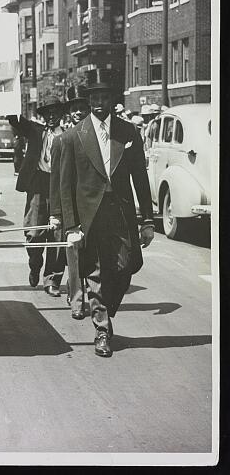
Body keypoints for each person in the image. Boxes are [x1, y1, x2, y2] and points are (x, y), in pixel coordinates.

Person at [59, 69, 154, 358]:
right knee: (97, 271)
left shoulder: (128, 132)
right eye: (94, 98)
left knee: (129, 265)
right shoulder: (74, 136)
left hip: (121, 213)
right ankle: (102, 328)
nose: (99, 103)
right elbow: (65, 185)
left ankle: (106, 311)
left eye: (104, 97)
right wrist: (71, 225)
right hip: (90, 217)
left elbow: (140, 176)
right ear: (88, 102)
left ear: (112, 99)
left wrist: (148, 220)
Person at [8, 96, 66, 296]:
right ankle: (35, 264)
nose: (51, 116)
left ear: (61, 114)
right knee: (34, 232)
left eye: (55, 112)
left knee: (58, 235)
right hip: (37, 185)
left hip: (59, 187)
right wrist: (10, 93)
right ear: (43, 115)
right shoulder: (35, 130)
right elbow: (15, 120)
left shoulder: (68, 135)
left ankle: (52, 280)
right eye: (47, 113)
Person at [49, 85, 90, 317]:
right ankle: (77, 299)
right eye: (74, 108)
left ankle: (89, 294)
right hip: (70, 207)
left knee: (91, 256)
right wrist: (56, 213)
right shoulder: (61, 141)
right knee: (73, 254)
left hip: (93, 205)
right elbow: (55, 180)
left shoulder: (99, 138)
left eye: (82, 107)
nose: (78, 112)